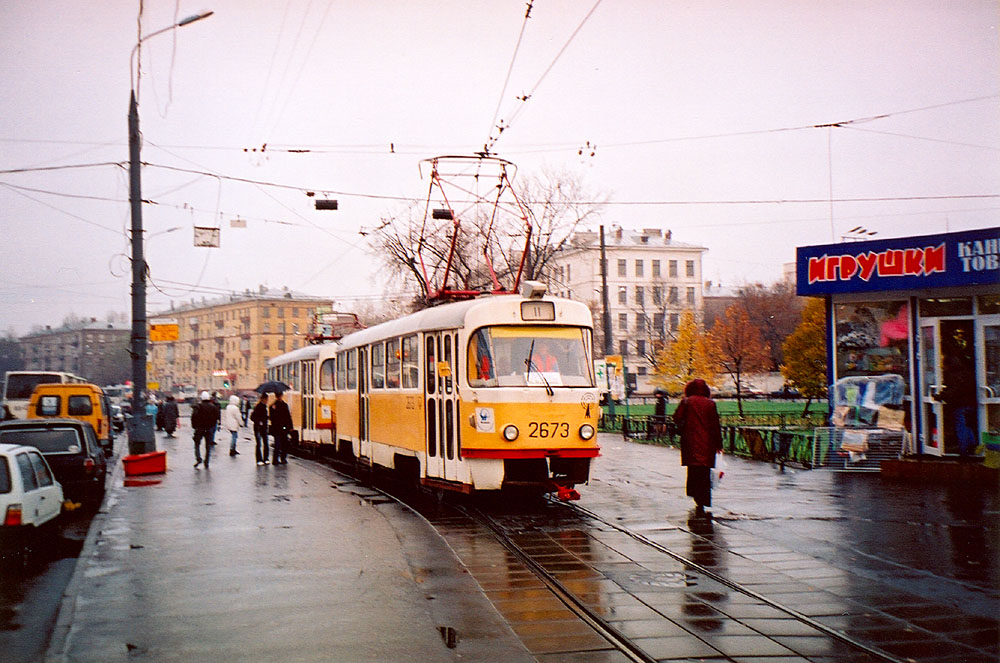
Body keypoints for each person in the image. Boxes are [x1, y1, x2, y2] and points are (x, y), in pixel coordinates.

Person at [673, 379, 723, 517]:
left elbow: (676, 417)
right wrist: (719, 444)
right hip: (707, 443)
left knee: (694, 471)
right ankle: (704, 500)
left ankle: (697, 498)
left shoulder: (686, 401)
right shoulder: (710, 404)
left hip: (690, 442)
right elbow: (715, 425)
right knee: (705, 473)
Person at [191, 390, 220, 469]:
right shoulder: (213, 407)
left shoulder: (198, 406)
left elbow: (194, 417)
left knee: (197, 444)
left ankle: (198, 458)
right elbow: (216, 417)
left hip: (199, 428)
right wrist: (213, 425)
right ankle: (206, 461)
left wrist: (194, 426)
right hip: (209, 428)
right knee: (208, 446)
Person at [269, 391, 292, 465]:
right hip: (277, 428)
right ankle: (276, 459)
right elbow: (271, 417)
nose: (279, 397)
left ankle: (283, 458)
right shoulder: (273, 406)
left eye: (280, 395)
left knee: (284, 443)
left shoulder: (284, 405)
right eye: (278, 395)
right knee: (278, 444)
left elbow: (288, 417)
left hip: (283, 428)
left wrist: (290, 427)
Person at [250, 393, 270, 465]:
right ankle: (259, 459)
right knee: (259, 444)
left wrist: (267, 418)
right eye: (266, 399)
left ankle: (266, 458)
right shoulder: (258, 407)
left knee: (265, 443)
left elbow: (265, 417)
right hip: (258, 428)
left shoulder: (265, 407)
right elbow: (252, 417)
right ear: (263, 399)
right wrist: (259, 421)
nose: (267, 400)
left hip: (264, 427)